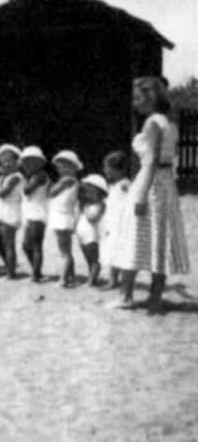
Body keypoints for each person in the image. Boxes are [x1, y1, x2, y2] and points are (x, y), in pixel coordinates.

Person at [110, 77, 190, 313]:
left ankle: (126, 295)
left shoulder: (152, 123)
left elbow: (152, 160)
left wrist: (142, 194)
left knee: (133, 237)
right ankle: (155, 296)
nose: (134, 103)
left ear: (150, 97)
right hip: (166, 185)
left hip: (151, 183)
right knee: (160, 239)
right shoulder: (169, 122)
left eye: (137, 98)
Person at [48, 150, 83, 287]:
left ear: (74, 167)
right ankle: (71, 277)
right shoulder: (71, 180)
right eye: (60, 167)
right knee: (65, 250)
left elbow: (51, 192)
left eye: (66, 166)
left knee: (65, 251)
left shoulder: (68, 179)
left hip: (63, 217)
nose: (62, 169)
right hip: (61, 216)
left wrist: (53, 186)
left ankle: (63, 279)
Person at [99, 151, 131, 289]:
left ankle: (122, 281)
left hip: (122, 224)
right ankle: (113, 280)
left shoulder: (125, 184)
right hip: (112, 223)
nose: (104, 170)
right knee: (112, 251)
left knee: (121, 252)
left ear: (116, 169)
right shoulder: (114, 185)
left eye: (107, 167)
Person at [19, 146, 50, 282]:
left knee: (35, 245)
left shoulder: (40, 175)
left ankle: (36, 275)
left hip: (38, 214)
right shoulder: (33, 176)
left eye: (31, 162)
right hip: (31, 214)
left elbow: (27, 191)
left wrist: (27, 182)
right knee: (26, 245)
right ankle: (36, 271)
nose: (27, 165)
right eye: (25, 162)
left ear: (40, 163)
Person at [0, 144, 24, 279]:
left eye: (9, 161)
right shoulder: (8, 177)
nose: (6, 164)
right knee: (5, 243)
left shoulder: (15, 177)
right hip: (5, 213)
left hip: (11, 213)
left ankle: (11, 273)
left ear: (17, 162)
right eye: (3, 161)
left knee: (8, 244)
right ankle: (10, 269)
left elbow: (2, 194)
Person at [77, 174, 109, 287]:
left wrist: (85, 210)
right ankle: (92, 277)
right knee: (88, 258)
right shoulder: (87, 204)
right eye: (86, 193)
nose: (88, 195)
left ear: (100, 194)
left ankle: (91, 280)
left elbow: (92, 218)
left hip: (91, 235)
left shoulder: (100, 205)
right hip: (83, 235)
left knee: (94, 259)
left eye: (92, 193)